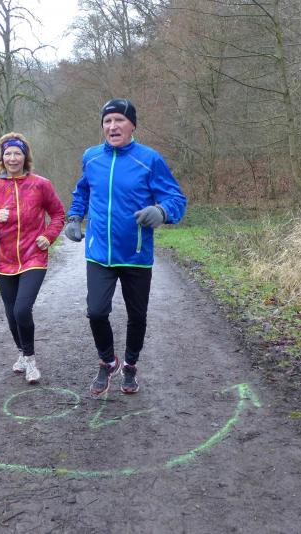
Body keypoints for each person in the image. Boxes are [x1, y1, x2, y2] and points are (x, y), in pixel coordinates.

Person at [65, 98, 187, 396]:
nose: (112, 126)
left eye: (119, 120)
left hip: (135, 254)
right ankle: (108, 361)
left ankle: (130, 365)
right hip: (99, 252)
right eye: (107, 121)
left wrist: (162, 211)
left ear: (132, 125)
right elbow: (82, 191)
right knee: (96, 312)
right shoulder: (91, 157)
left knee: (137, 316)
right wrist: (74, 217)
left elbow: (176, 198)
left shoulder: (149, 159)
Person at [0, 132, 65, 384]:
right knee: (12, 314)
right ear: (1, 158)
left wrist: (49, 236)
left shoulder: (40, 184)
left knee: (22, 309)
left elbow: (58, 214)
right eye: (8, 154)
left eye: (17, 153)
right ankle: (22, 353)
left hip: (34, 256)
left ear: (25, 157)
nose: (12, 158)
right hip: (4, 261)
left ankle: (31, 360)